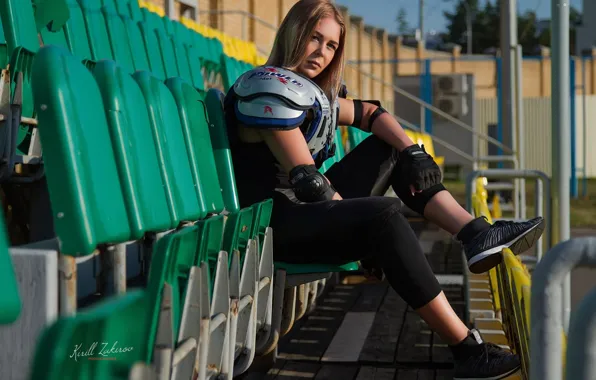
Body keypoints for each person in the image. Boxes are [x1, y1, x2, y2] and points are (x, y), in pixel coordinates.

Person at [223, 1, 544, 379]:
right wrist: (358, 231)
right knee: (384, 215)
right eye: (314, 37)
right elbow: (311, 185)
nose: (322, 52)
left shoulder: (309, 92)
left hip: (302, 210)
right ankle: (467, 350)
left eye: (330, 45)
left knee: (392, 147)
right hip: (276, 223)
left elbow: (372, 114)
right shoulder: (268, 87)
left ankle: (476, 234)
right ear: (293, 32)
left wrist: (412, 151)